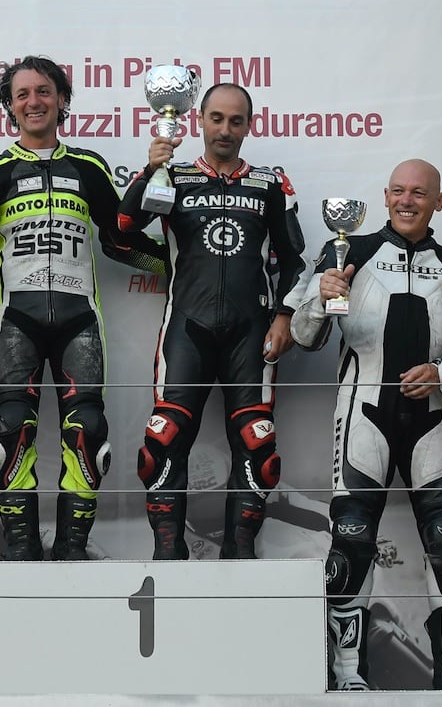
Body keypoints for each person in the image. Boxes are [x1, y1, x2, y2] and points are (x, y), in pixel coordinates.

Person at [0, 55, 165, 561]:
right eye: (22, 94)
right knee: (12, 433)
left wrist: (171, 263)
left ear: (62, 99)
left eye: (43, 91)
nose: (33, 101)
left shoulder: (88, 167)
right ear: (10, 106)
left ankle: (71, 549)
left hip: (80, 321)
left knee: (90, 435)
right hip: (15, 322)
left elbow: (118, 237)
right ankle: (20, 549)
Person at [290, 159, 442, 691]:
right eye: (398, 191)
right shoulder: (347, 251)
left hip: (433, 418)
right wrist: (321, 298)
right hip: (362, 416)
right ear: (385, 196)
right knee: (350, 538)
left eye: (418, 192)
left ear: (438, 201)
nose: (406, 200)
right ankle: (349, 674)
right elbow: (305, 337)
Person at [119, 81, 305, 562]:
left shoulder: (270, 185)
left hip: (252, 333)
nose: (225, 129)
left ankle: (240, 556)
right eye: (216, 118)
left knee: (258, 449)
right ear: (199, 120)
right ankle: (168, 555)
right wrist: (151, 170)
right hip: (186, 329)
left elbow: (294, 261)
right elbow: (121, 230)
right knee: (161, 444)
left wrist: (285, 316)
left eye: (235, 120)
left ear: (249, 125)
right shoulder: (174, 177)